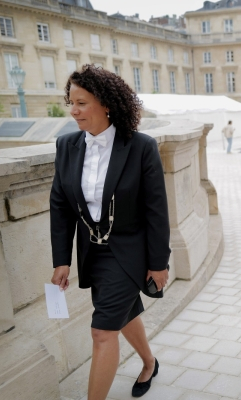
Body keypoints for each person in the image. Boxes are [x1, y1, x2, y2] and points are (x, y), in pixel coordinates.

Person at [50, 65, 171, 399]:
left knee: (102, 331)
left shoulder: (141, 146)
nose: (73, 110)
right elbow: (60, 206)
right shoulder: (66, 146)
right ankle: (149, 362)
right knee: (123, 312)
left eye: (81, 102)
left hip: (131, 252)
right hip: (93, 253)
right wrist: (62, 260)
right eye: (70, 102)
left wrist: (159, 262)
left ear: (106, 104)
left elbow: (156, 209)